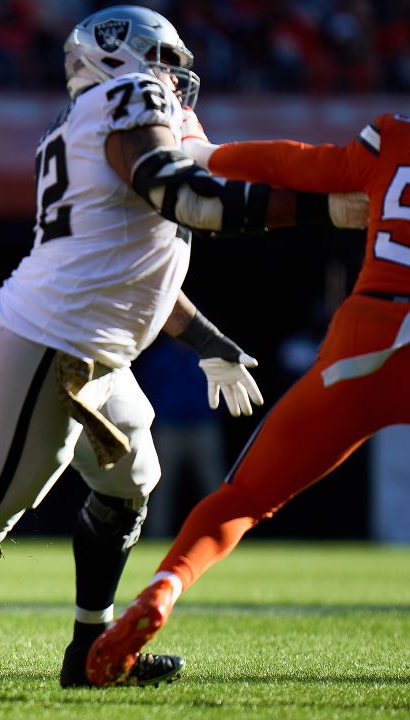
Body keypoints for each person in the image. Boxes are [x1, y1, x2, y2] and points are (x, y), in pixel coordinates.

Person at [0, 4, 366, 688]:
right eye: (168, 64)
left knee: (129, 484)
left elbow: (136, 273)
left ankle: (90, 652)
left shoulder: (83, 125)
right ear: (127, 60)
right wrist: (322, 208)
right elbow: (194, 204)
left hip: (84, 349)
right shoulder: (127, 97)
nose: (177, 82)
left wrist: (210, 343)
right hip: (45, 344)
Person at [87, 107, 402, 687]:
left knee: (247, 495)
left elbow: (301, 164)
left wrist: (206, 155)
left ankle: (166, 585)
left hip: (372, 331)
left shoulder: (395, 134)